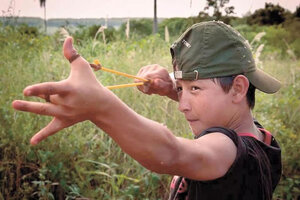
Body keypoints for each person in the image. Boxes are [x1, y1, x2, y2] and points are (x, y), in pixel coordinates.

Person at [12, 21, 282, 200]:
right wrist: (170, 88)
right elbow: (214, 101)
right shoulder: (263, 140)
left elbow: (170, 153)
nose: (183, 105)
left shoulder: (228, 150)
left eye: (195, 90)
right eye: (181, 90)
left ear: (237, 88)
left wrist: (100, 107)